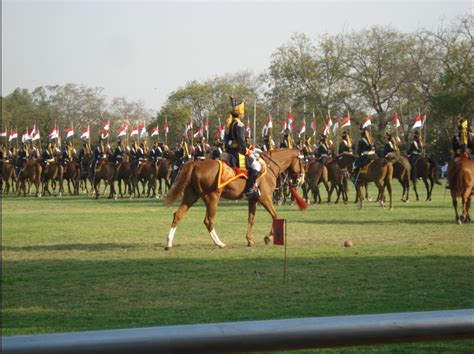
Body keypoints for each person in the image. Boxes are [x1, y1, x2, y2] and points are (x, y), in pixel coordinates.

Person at [225, 96, 261, 198]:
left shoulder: (231, 123)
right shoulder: (239, 125)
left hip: (232, 151)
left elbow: (237, 141)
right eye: (243, 113)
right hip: (238, 153)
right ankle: (249, 189)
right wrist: (249, 152)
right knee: (257, 166)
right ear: (240, 114)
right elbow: (241, 143)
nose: (243, 115)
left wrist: (252, 147)